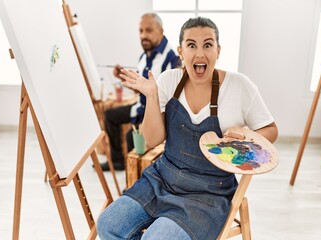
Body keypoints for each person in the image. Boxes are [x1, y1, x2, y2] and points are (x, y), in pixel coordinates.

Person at [97, 16, 278, 240]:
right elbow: (152, 140)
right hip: (161, 180)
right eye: (191, 45)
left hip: (208, 194)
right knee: (107, 225)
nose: (200, 53)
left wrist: (246, 136)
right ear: (181, 51)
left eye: (208, 45)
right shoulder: (168, 81)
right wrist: (151, 96)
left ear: (218, 51)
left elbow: (270, 129)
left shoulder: (239, 86)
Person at [100, 13, 179, 171]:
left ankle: (134, 180)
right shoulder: (144, 57)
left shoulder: (172, 60)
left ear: (161, 31)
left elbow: (171, 98)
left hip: (156, 111)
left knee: (132, 136)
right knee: (110, 116)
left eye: (149, 30)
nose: (143, 35)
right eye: (141, 31)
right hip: (140, 106)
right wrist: (122, 77)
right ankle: (117, 161)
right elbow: (141, 88)